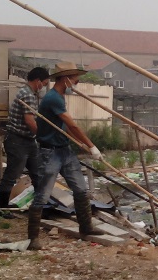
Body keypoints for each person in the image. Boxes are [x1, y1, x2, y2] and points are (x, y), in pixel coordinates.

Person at [27, 62, 103, 250]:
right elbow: (72, 125)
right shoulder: (53, 98)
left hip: (64, 150)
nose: (77, 82)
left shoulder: (59, 97)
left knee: (81, 190)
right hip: (49, 152)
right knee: (42, 195)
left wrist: (81, 143)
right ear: (65, 78)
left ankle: (86, 227)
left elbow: (65, 126)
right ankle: (33, 238)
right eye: (75, 78)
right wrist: (92, 146)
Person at [0, 66, 50, 214]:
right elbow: (29, 121)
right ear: (38, 81)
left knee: (37, 173)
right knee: (12, 174)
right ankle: (2, 208)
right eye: (44, 84)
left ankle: (40, 206)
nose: (43, 87)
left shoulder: (28, 93)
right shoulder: (27, 95)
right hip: (18, 140)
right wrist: (42, 137)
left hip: (28, 140)